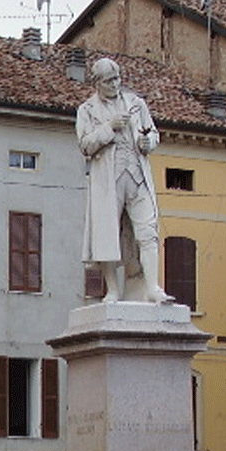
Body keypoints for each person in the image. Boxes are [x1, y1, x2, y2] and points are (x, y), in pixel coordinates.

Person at [76, 57, 173, 304]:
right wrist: (109, 127)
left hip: (138, 175)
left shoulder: (136, 104)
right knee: (107, 234)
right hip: (108, 180)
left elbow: (153, 133)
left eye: (117, 79)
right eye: (109, 81)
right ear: (97, 83)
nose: (115, 84)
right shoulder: (87, 110)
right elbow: (85, 145)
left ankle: (152, 288)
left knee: (148, 231)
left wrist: (147, 142)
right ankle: (113, 291)